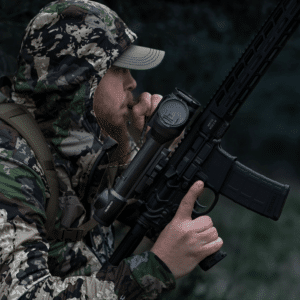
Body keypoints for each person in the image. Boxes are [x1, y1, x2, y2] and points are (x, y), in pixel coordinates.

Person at [0, 0, 223, 299]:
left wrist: (156, 149)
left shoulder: (81, 140)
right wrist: (154, 268)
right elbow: (23, 294)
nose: (132, 83)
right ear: (80, 82)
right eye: (119, 70)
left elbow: (144, 212)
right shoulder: (10, 161)